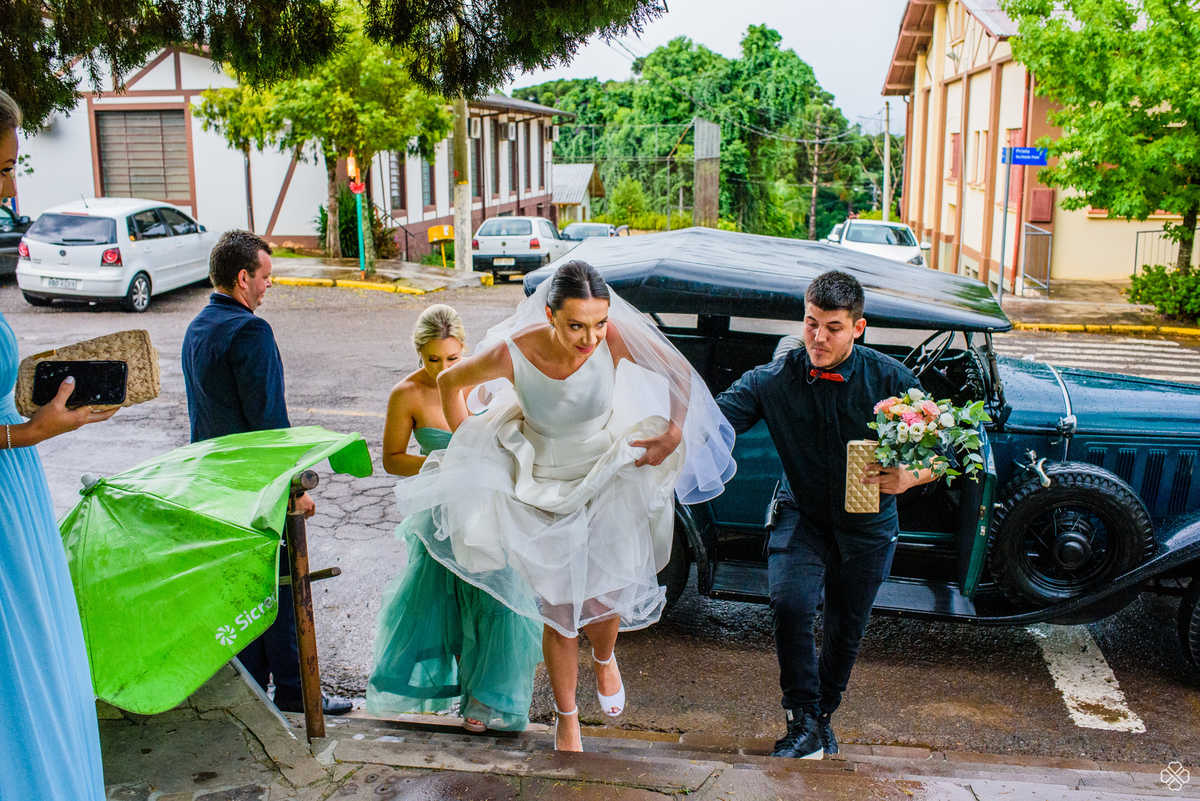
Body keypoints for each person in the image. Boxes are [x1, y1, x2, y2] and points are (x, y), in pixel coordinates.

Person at [393, 261, 735, 751]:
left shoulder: (611, 338)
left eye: (599, 323)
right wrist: (468, 446)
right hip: (541, 480)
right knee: (560, 611)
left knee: (605, 593)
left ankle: (605, 657)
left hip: (605, 469)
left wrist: (674, 431)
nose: (590, 338)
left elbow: (678, 371)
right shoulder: (515, 350)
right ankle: (567, 717)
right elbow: (452, 386)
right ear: (550, 315)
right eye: (577, 325)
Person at [715, 270, 935, 760]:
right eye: (810, 323)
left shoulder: (893, 381)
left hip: (870, 527)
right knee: (791, 604)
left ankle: (820, 721)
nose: (817, 337)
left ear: (858, 328)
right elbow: (711, 421)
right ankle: (801, 723)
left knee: (844, 630)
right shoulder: (773, 379)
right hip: (804, 514)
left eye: (832, 327)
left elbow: (945, 454)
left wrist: (909, 478)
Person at [181, 230, 351, 716]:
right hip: (258, 488)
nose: (268, 285)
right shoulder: (250, 331)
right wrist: (294, 488)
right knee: (281, 589)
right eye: (266, 276)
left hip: (216, 484)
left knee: (244, 593)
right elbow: (269, 422)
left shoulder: (198, 326)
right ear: (242, 278)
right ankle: (298, 693)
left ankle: (256, 695)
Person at [0, 89, 115, 800]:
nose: (10, 186)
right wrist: (25, 432)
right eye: (1, 166)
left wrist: (34, 407)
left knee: (41, 677)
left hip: (17, 502)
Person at [367, 304, 542, 731]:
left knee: (496, 599)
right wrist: (437, 463)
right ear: (418, 353)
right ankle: (463, 693)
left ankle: (483, 704)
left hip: (487, 512)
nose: (443, 368)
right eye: (432, 360)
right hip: (439, 519)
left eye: (452, 359)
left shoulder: (484, 382)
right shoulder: (405, 394)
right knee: (446, 607)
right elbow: (391, 459)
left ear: (465, 350)